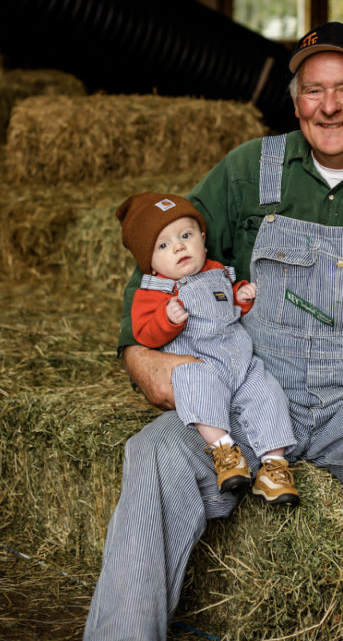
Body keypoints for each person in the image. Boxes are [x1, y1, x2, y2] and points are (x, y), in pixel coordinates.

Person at [82, 21, 343, 641]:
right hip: (248, 391)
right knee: (156, 452)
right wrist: (140, 354)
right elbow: (157, 256)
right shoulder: (249, 171)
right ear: (296, 102)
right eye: (313, 90)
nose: (329, 106)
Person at [115, 192, 299, 503]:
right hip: (202, 364)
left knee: (268, 393)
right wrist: (166, 319)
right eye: (163, 246)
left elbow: (228, 309)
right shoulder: (152, 293)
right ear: (150, 263)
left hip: (242, 363)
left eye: (186, 235)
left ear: (202, 237)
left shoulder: (218, 272)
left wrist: (241, 297)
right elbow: (143, 334)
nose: (179, 247)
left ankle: (274, 466)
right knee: (194, 382)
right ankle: (224, 451)